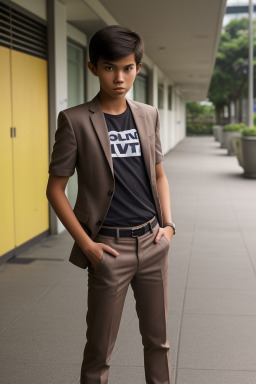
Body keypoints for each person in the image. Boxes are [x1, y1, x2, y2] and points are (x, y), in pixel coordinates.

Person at [46, 24, 176, 384]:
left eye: (128, 68)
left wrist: (168, 226)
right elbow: (55, 189)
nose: (119, 77)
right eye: (109, 67)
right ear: (92, 67)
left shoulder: (148, 114)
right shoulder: (74, 121)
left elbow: (159, 175)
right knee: (99, 351)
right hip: (109, 249)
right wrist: (88, 247)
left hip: (153, 243)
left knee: (159, 343)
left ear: (137, 68)